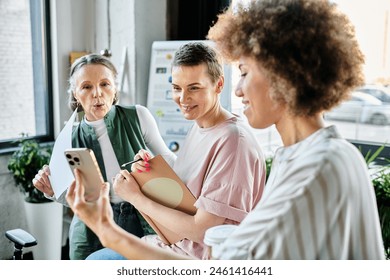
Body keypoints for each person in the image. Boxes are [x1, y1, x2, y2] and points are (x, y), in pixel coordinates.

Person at [66, 0, 385, 259]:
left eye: (244, 72)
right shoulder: (303, 156)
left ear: (285, 75)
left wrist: (109, 230)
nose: (239, 90)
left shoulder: (316, 170)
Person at [85, 42, 266, 260]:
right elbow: (190, 195)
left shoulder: (233, 142)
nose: (183, 98)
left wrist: (135, 197)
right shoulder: (200, 124)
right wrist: (151, 170)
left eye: (194, 88)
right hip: (171, 245)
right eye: (177, 88)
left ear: (219, 85)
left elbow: (202, 230)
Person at [32, 54, 177, 260]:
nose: (97, 93)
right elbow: (73, 196)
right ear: (76, 93)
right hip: (90, 225)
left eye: (105, 84)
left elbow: (169, 160)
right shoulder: (68, 137)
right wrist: (51, 191)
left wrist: (159, 167)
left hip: (139, 218)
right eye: (87, 87)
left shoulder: (138, 116)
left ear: (115, 88)